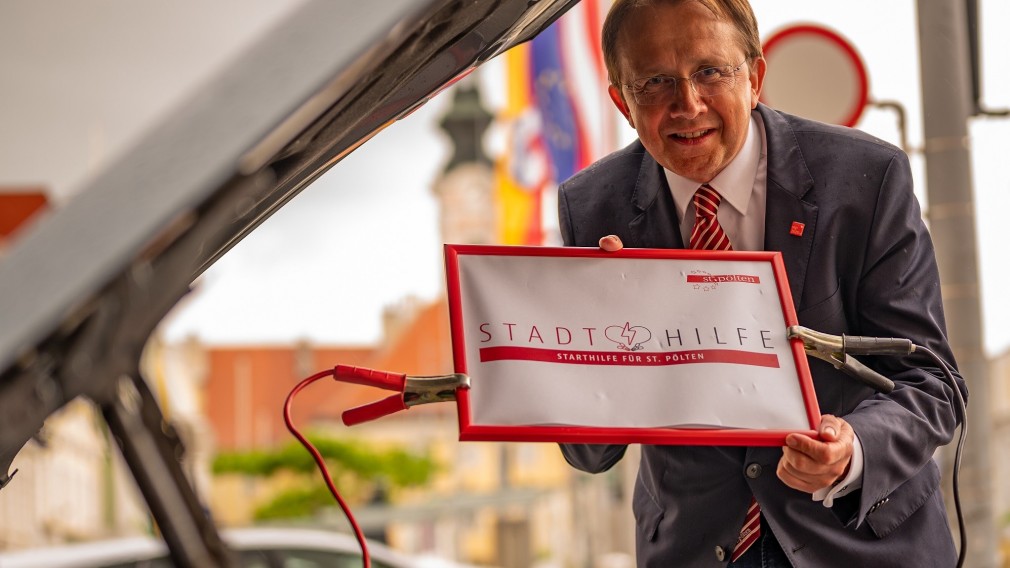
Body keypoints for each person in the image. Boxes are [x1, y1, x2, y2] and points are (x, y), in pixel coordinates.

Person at [556, 1, 967, 566]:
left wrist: (853, 449)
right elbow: (588, 451)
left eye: (709, 72)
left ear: (754, 77)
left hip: (864, 542)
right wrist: (602, 343)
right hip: (695, 548)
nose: (688, 104)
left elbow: (932, 381)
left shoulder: (865, 179)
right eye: (655, 82)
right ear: (622, 103)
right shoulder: (590, 206)